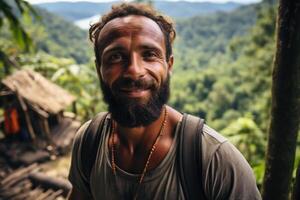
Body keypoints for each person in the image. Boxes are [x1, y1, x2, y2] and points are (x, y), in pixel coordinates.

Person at [68, 3, 261, 200]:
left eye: (149, 55)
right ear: (99, 68)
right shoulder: (89, 141)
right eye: (116, 57)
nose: (134, 70)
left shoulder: (215, 160)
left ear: (169, 65)